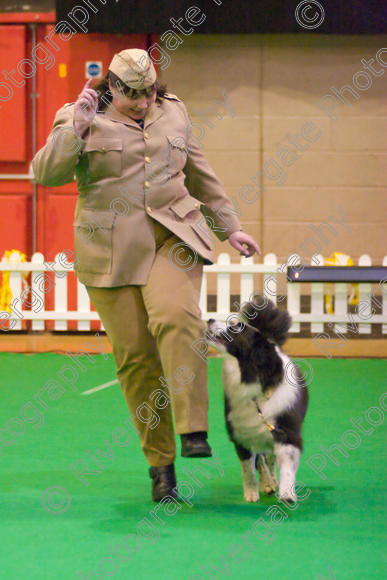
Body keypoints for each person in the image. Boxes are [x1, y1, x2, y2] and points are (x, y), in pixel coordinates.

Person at [32, 48, 260, 502]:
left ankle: (193, 430)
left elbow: (201, 175)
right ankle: (160, 466)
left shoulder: (173, 113)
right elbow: (45, 173)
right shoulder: (78, 115)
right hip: (110, 251)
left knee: (178, 318)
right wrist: (75, 128)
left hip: (172, 238)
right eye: (132, 95)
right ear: (111, 87)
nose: (141, 102)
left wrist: (230, 227)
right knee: (137, 361)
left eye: (148, 92)